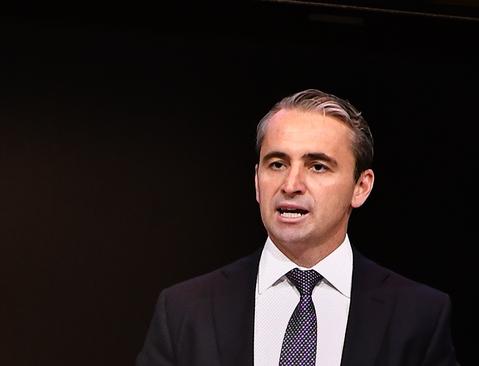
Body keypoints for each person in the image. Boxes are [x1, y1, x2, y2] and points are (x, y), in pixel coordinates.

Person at [136, 89, 458, 366]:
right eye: (277, 164)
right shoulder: (184, 310)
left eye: (317, 166)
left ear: (361, 186)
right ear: (257, 182)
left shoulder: (418, 316)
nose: (291, 185)